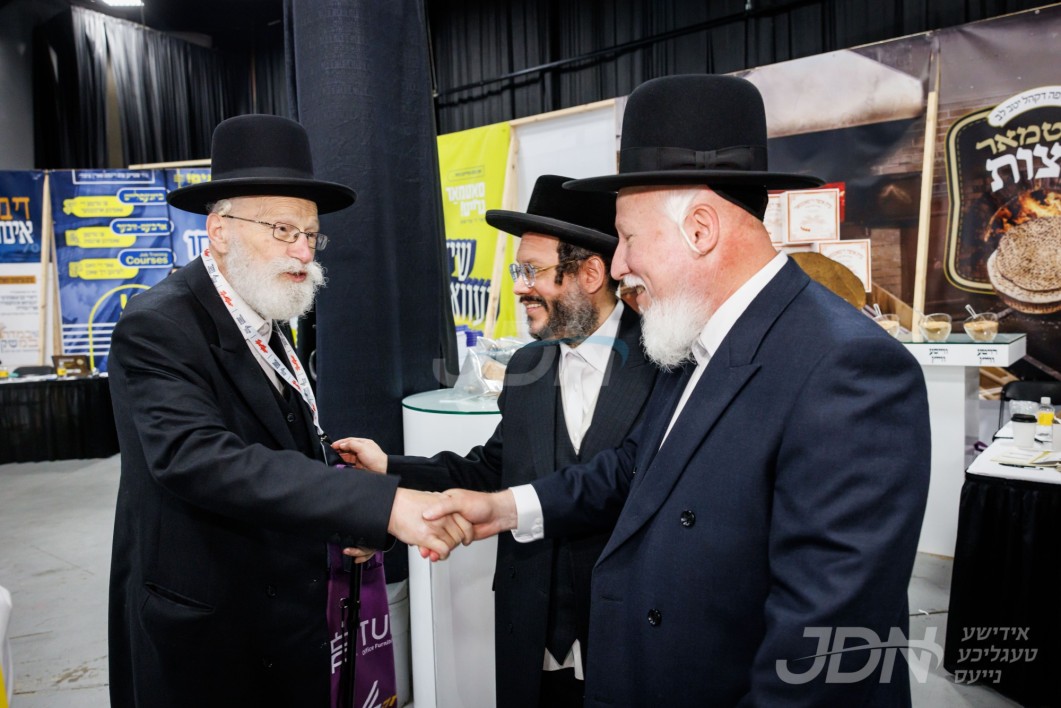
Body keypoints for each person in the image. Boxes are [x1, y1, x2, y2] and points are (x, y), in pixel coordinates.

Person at [423, 75, 932, 706]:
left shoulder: (851, 370)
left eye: (629, 238)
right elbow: (632, 469)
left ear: (699, 229)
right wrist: (505, 509)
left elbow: (826, 654)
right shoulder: (692, 345)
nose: (618, 266)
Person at [107, 114, 469, 708]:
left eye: (311, 235)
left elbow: (274, 445)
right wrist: (380, 504)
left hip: (287, 622)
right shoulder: (158, 325)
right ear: (219, 229)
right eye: (282, 230)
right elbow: (199, 457)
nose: (303, 251)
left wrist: (349, 508)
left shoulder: (265, 315)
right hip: (210, 635)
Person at [333, 175, 657, 708]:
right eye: (517, 271)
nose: (520, 287)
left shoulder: (665, 360)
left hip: (627, 637)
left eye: (533, 271)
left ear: (591, 273)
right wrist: (389, 465)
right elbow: (492, 468)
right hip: (529, 634)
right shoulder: (527, 366)